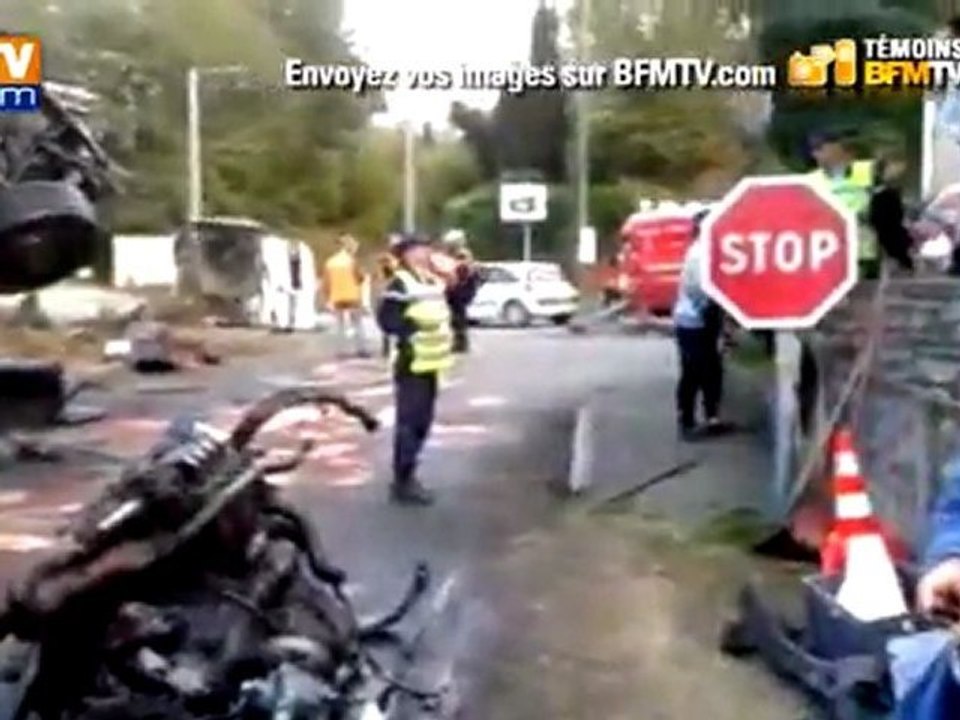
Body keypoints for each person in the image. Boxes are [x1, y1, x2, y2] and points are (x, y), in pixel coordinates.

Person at [376, 234, 454, 505]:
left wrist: (466, 276)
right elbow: (387, 319)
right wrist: (410, 335)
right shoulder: (400, 282)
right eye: (417, 250)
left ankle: (408, 474)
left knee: (422, 423)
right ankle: (403, 480)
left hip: (431, 363)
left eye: (425, 249)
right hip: (411, 364)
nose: (423, 254)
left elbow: (455, 305)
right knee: (409, 423)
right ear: (405, 255)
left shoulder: (433, 280)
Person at [672, 210, 725, 441]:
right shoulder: (698, 254)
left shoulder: (712, 250)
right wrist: (709, 308)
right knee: (693, 370)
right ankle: (687, 420)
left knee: (712, 369)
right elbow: (697, 289)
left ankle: (712, 416)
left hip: (704, 318)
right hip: (692, 320)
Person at [806, 129, 880, 278]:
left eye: (833, 148)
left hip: (863, 251)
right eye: (819, 150)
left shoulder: (863, 171)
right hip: (828, 252)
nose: (826, 155)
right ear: (814, 154)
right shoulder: (810, 181)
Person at [323, 234, 369, 358]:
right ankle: (361, 349)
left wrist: (327, 298)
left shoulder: (330, 262)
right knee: (357, 324)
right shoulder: (351, 261)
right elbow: (359, 278)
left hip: (336, 296)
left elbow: (326, 283)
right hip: (352, 295)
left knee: (339, 325)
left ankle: (340, 351)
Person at [438, 236, 481, 354]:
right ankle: (460, 342)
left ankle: (461, 343)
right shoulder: (461, 255)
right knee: (457, 317)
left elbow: (463, 272)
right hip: (459, 291)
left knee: (458, 317)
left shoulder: (462, 256)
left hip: (460, 291)